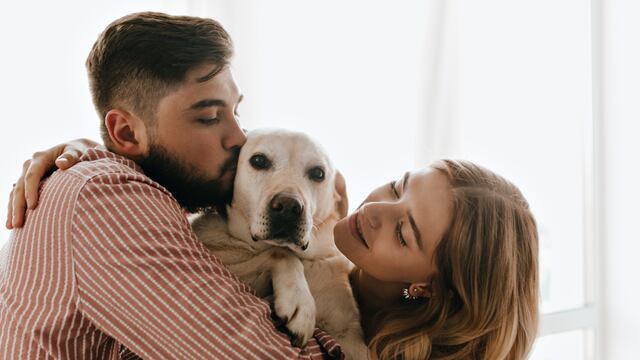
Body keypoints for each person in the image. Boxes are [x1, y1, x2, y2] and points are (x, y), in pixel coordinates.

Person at [0, 12, 342, 359]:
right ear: (126, 133)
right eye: (208, 117)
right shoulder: (109, 201)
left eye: (235, 112)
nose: (239, 138)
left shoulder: (107, 184)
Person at [9, 141, 540, 359]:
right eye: (399, 186)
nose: (377, 210)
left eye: (405, 232)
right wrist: (91, 158)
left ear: (428, 286)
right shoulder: (313, 257)